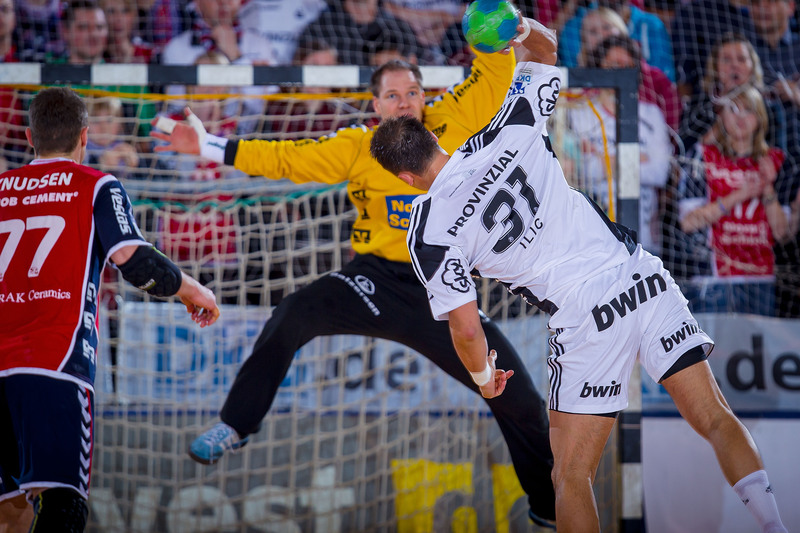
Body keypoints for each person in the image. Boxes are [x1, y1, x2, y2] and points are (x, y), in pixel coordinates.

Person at [368, 19, 788, 533]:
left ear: (404, 178)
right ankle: (775, 526)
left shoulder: (429, 229)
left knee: (570, 476)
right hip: (640, 277)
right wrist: (515, 23)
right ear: (435, 136)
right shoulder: (507, 130)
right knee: (716, 418)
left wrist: (482, 378)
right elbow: (545, 52)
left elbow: (466, 327)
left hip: (587, 317)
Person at [151, 21, 558, 527]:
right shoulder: (359, 146)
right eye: (392, 95)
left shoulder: (456, 115)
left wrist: (496, 22)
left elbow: (495, 67)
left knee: (518, 398)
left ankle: (549, 510)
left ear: (425, 95)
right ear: (375, 105)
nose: (405, 102)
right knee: (293, 313)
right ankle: (235, 424)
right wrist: (209, 146)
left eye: (412, 92)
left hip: (441, 285)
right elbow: (286, 159)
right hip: (373, 282)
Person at [0, 87, 220, 533]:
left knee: (10, 511)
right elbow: (134, 262)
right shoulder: (97, 185)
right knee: (64, 508)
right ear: (84, 137)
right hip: (55, 364)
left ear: (30, 137)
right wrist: (193, 290)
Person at [677, 86, 792, 316]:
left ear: (760, 118)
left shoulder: (777, 160)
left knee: (757, 341)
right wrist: (740, 194)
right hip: (713, 281)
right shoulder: (701, 156)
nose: (740, 117)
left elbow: (782, 233)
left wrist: (767, 187)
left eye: (748, 110)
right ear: (721, 115)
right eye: (733, 109)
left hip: (761, 280)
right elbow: (688, 223)